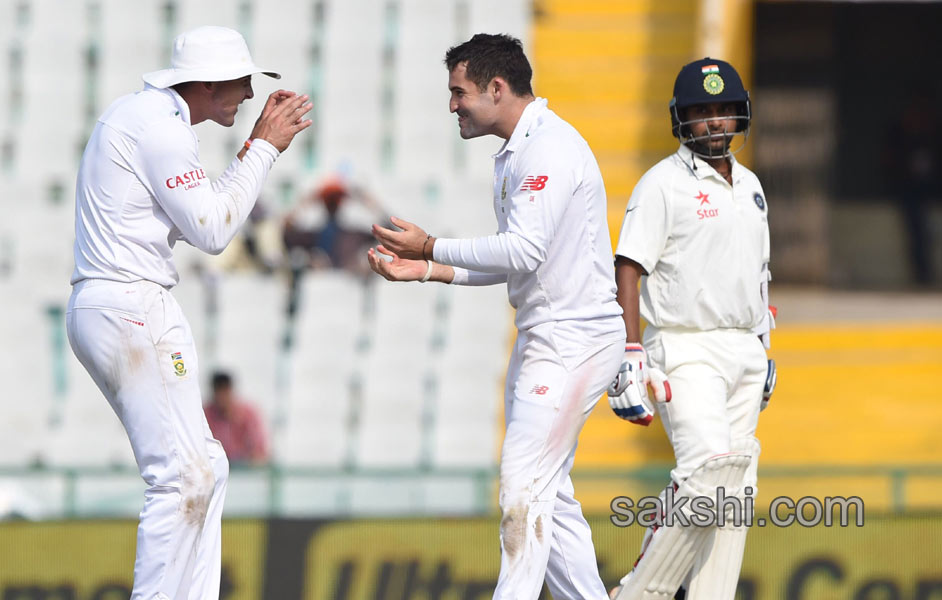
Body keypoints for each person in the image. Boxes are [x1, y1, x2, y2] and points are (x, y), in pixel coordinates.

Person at [368, 33, 626, 600]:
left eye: (459, 92)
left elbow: (522, 251)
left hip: (573, 339)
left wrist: (432, 246)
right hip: (545, 337)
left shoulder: (550, 149)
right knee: (548, 498)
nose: (452, 104)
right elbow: (518, 263)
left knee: (520, 490)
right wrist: (430, 271)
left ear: (497, 87)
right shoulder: (516, 153)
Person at [65, 26, 312, 600]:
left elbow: (197, 215)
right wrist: (267, 149)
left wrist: (253, 148)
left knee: (208, 469)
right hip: (130, 304)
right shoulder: (160, 129)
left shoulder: (142, 117)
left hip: (115, 302)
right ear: (205, 82)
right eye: (240, 82)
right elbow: (215, 230)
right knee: (178, 478)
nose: (249, 93)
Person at [607, 58, 775, 600]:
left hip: (744, 350)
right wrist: (631, 352)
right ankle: (640, 592)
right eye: (702, 113)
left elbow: (759, 273)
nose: (715, 122)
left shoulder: (751, 186)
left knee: (736, 492)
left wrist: (765, 348)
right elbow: (628, 265)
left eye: (724, 110)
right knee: (706, 474)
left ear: (739, 114)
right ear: (682, 119)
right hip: (685, 346)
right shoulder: (662, 184)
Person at [204, 372, 270, 465]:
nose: (221, 397)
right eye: (219, 391)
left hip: (243, 473)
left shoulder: (248, 414)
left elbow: (260, 451)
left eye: (225, 391)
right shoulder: (206, 415)